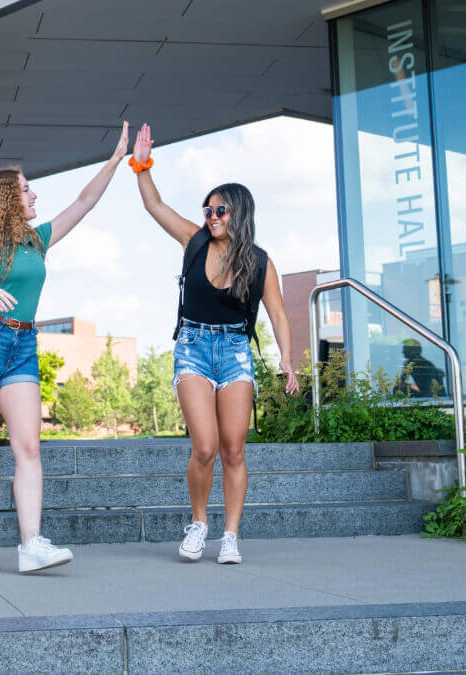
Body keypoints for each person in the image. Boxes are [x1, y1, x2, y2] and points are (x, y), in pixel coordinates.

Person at [0, 121, 130, 574]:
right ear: (8, 199)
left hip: (22, 343)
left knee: (29, 448)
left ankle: (30, 545)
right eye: (26, 190)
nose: (35, 196)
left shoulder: (35, 240)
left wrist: (115, 160)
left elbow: (83, 202)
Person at [131, 123, 299, 565]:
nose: (212, 215)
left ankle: (230, 535)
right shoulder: (194, 240)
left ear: (238, 212)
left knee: (233, 448)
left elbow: (278, 314)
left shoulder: (261, 263)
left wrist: (286, 358)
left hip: (235, 353)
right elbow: (153, 204)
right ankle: (199, 523)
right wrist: (142, 163)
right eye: (208, 208)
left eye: (220, 209)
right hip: (193, 347)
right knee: (204, 446)